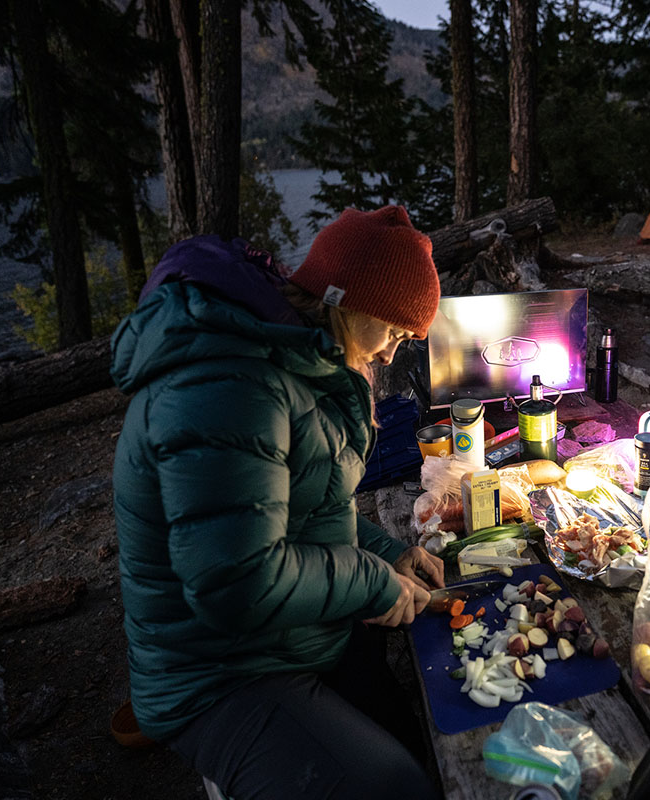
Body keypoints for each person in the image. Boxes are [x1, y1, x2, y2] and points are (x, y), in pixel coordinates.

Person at [110, 206, 445, 799]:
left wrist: (387, 553)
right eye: (393, 331)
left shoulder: (301, 356)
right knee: (394, 788)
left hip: (285, 635)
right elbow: (234, 581)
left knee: (421, 729)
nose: (392, 354)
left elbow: (308, 507)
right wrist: (371, 581)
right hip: (217, 672)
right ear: (346, 298)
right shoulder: (229, 383)